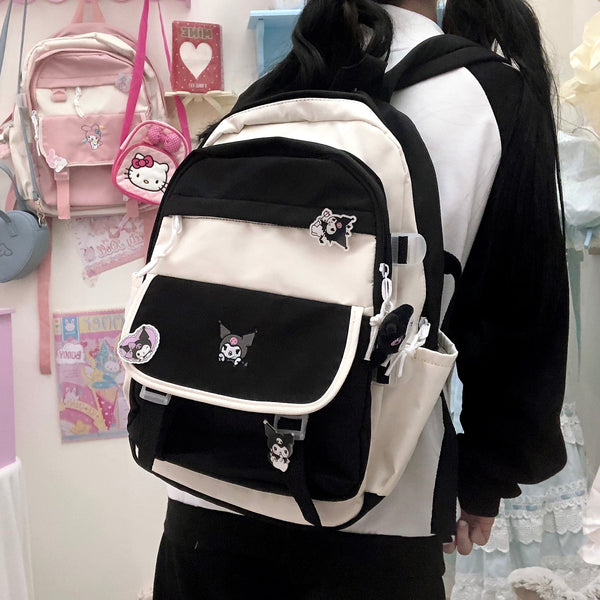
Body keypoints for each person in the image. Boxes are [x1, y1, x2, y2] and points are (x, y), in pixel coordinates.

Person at [151, 1, 569, 598]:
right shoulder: (490, 97)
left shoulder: (266, 95)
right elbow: (519, 322)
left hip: (203, 493)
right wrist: (486, 477)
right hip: (377, 515)